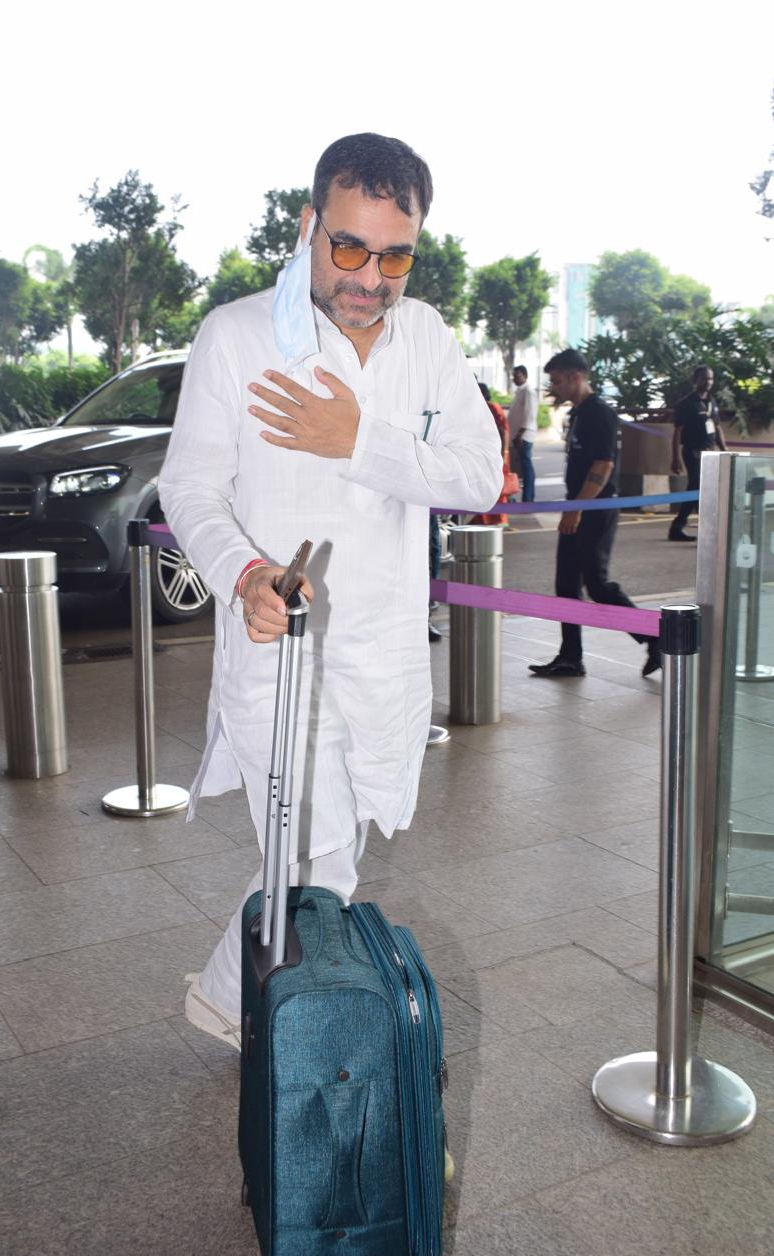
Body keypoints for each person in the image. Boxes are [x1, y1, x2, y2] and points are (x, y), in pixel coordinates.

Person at [159, 133, 503, 1048]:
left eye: (393, 255)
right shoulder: (235, 335)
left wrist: (358, 440)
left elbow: (479, 476)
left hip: (385, 649)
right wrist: (245, 574)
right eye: (348, 246)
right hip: (279, 649)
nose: (369, 277)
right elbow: (189, 487)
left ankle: (232, 1001)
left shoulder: (425, 335)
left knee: (329, 849)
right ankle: (280, 1033)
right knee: (312, 856)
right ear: (309, 224)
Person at [528, 349, 661, 680]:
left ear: (576, 377)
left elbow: (604, 464)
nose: (553, 388)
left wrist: (578, 508)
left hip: (595, 508)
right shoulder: (579, 413)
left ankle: (655, 636)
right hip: (580, 505)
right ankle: (571, 657)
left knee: (597, 584)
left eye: (557, 381)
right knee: (566, 584)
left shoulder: (598, 412)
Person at [668, 364, 726, 542]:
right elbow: (678, 431)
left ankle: (678, 528)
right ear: (695, 381)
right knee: (698, 488)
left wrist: (725, 450)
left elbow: (717, 427)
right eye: (704, 378)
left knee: (697, 489)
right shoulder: (686, 404)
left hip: (710, 452)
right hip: (693, 452)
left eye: (710, 378)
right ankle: (693, 528)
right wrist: (676, 457)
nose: (708, 382)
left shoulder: (711, 401)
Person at [507, 365, 538, 502]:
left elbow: (530, 415)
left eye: (518, 376)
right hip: (517, 435)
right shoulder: (520, 391)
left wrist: (519, 435)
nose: (515, 379)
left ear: (525, 376)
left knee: (526, 467)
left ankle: (528, 498)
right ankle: (524, 496)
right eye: (514, 376)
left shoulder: (529, 391)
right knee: (520, 467)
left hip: (524, 436)